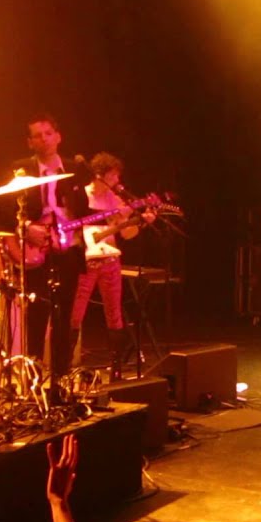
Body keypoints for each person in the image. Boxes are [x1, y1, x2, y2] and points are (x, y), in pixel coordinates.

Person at [4, 113, 90, 397]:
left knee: (64, 318)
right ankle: (32, 383)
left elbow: (85, 211)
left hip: (67, 251)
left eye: (48, 133)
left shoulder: (76, 170)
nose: (44, 139)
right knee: (37, 318)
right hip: (36, 254)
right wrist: (27, 227)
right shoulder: (20, 171)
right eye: (37, 135)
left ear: (58, 136)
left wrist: (121, 217)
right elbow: (3, 214)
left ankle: (62, 384)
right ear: (29, 142)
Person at [69, 152, 153, 379]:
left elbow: (126, 233)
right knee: (76, 313)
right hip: (86, 260)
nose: (117, 180)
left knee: (114, 312)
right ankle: (65, 366)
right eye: (113, 175)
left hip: (110, 260)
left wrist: (142, 222)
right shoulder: (82, 195)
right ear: (100, 175)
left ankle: (116, 367)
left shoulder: (116, 201)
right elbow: (73, 228)